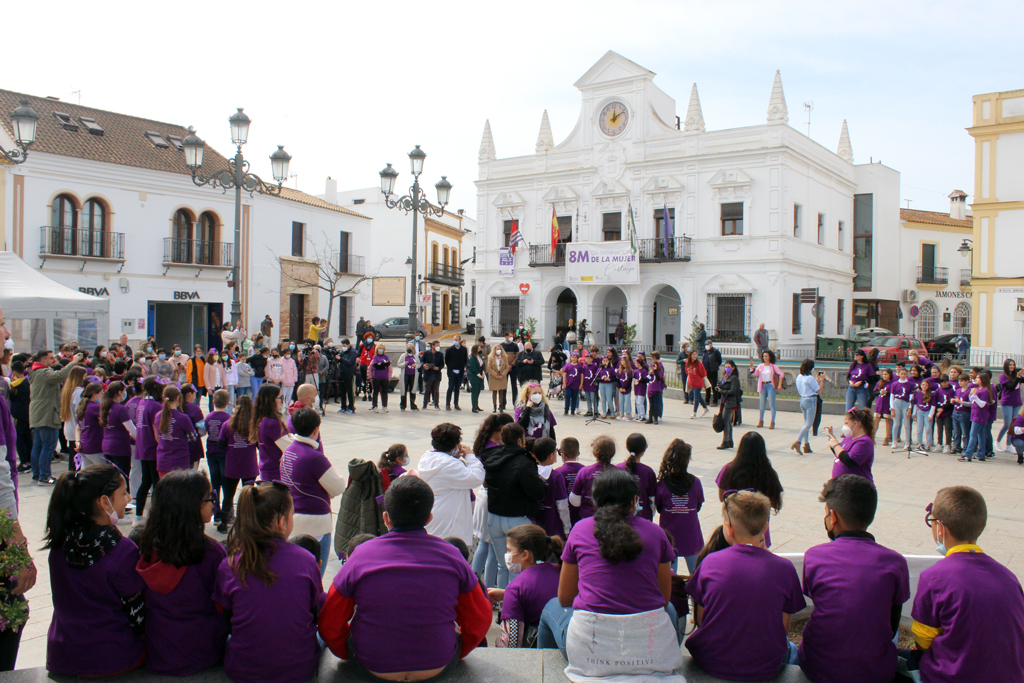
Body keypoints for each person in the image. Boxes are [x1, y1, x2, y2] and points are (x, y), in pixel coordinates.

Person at [320, 475, 491, 679]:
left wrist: (348, 651)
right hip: (438, 665)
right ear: (429, 518)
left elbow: (330, 621)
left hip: (371, 665)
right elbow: (480, 618)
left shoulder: (360, 555)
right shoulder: (452, 555)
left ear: (386, 518)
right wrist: (457, 650)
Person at [537, 469, 682, 680]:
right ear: (634, 500)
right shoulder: (656, 532)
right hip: (651, 652)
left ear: (596, 499)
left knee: (551, 606)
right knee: (668, 609)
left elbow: (565, 598)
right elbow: (663, 598)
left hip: (590, 652)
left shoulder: (580, 530)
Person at [904, 486, 1024, 682]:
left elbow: (923, 641)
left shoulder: (934, 577)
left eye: (931, 522)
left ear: (941, 528)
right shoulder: (1009, 577)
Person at [799, 475, 910, 683]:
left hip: (818, 667)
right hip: (877, 670)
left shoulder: (814, 556)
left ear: (832, 517)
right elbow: (893, 622)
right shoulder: (895, 562)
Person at [685, 490, 806, 680]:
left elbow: (701, 619)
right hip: (765, 666)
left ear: (729, 528)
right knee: (791, 649)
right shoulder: (784, 568)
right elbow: (783, 628)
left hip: (711, 660)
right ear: (765, 527)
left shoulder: (710, 562)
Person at [213, 482, 324, 683]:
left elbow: (228, 619)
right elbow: (314, 612)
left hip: (243, 670)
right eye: (292, 514)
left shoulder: (230, 564)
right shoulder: (306, 560)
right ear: (282, 522)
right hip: (299, 671)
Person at [44, 464, 144, 677]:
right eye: (123, 492)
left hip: (62, 654)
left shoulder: (60, 543)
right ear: (103, 501)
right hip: (111, 656)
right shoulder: (123, 550)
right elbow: (137, 614)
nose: (128, 498)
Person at [135, 470, 227, 675]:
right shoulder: (212, 554)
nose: (214, 503)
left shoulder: (147, 548)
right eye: (209, 498)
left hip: (160, 649)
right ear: (191, 506)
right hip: (203, 650)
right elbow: (223, 605)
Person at [480, 423, 547, 588]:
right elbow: (534, 490)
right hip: (516, 518)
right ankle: (514, 602)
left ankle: (501, 601)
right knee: (518, 567)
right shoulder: (524, 461)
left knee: (503, 565)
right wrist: (543, 485)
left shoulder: (490, 455)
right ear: (520, 440)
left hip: (494, 516)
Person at [280, 408, 346, 575]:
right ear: (316, 429)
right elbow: (338, 486)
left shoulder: (288, 450)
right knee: (315, 575)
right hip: (315, 522)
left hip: (291, 517)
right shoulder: (314, 457)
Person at [489, 524, 563, 648]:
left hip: (538, 654)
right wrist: (506, 594)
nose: (507, 555)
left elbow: (511, 643)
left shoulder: (516, 588)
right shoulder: (561, 571)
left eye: (509, 550)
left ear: (525, 555)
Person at [419, 423, 484, 543]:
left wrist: (453, 457)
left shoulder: (427, 458)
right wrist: (470, 456)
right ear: (455, 444)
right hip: (449, 525)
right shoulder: (450, 465)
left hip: (434, 516)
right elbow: (477, 477)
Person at [716, 432, 784, 547]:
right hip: (759, 532)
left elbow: (722, 497)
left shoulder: (728, 469)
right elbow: (776, 503)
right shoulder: (769, 473)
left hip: (734, 530)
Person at [30, 349, 85, 485]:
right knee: (48, 446)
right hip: (47, 414)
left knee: (38, 445)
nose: (54, 360)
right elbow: (60, 375)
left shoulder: (35, 373)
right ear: (43, 361)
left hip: (38, 414)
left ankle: (37, 474)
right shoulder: (44, 372)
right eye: (50, 358)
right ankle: (44, 476)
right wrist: (73, 362)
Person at [655, 439, 704, 574]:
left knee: (670, 576)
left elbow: (659, 508)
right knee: (697, 575)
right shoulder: (696, 483)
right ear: (688, 460)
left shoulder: (662, 484)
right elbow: (698, 506)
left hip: (669, 537)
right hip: (691, 535)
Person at [217, 396, 259, 534]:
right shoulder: (253, 425)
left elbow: (220, 444)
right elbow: (259, 445)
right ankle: (247, 524)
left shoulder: (227, 424)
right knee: (249, 496)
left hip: (233, 464)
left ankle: (224, 523)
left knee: (228, 495)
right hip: (249, 464)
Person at [132, 377, 165, 525]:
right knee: (156, 483)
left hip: (142, 447)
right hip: (152, 448)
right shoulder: (156, 406)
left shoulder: (142, 403)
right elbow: (156, 430)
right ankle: (154, 517)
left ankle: (138, 515)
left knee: (146, 481)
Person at [155, 385, 198, 477]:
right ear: (178, 398)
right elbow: (193, 437)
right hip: (180, 460)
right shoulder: (183, 418)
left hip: (163, 460)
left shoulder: (158, 416)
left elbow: (157, 437)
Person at [568, 435, 615, 519]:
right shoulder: (621, 473)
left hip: (589, 517)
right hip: (614, 519)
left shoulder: (585, 472)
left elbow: (575, 501)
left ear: (594, 453)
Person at [204, 390, 231, 524]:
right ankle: (227, 511)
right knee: (226, 482)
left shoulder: (209, 417)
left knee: (215, 483)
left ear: (213, 402)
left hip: (211, 452)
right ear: (227, 403)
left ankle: (217, 512)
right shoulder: (228, 418)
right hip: (224, 453)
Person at [254, 383, 290, 482]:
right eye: (280, 397)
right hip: (276, 473)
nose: (282, 400)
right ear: (271, 400)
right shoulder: (272, 423)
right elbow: (289, 447)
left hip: (267, 469)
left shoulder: (261, 419)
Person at [959, 369, 995, 462]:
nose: (976, 379)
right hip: (975, 413)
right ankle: (981, 453)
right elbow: (973, 401)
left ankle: (968, 453)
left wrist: (974, 396)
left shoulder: (986, 391)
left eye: (978, 378)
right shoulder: (978, 389)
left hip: (980, 415)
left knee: (973, 434)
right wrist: (972, 395)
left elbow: (983, 404)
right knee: (981, 434)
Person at [792, 359, 822, 454]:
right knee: (808, 424)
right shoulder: (810, 378)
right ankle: (798, 442)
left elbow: (810, 387)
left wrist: (817, 380)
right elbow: (818, 390)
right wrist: (823, 381)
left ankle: (806, 445)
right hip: (811, 400)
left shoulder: (799, 377)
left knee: (806, 423)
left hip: (803, 399)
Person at [749, 350, 784, 429]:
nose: (765, 358)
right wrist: (751, 367)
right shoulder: (761, 366)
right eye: (764, 356)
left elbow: (781, 374)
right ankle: (761, 421)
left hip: (770, 386)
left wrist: (779, 384)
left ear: (770, 357)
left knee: (771, 404)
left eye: (766, 356)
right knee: (762, 404)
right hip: (762, 386)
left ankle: (772, 422)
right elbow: (755, 373)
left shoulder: (773, 366)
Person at [74, 382, 105, 468]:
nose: (102, 396)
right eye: (101, 393)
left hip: (84, 445)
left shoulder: (82, 407)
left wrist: (78, 441)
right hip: (95, 445)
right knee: (101, 471)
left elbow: (78, 427)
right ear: (95, 394)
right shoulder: (95, 407)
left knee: (87, 473)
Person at [995, 359, 1023, 453]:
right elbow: (1011, 387)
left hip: (1017, 402)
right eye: (1010, 365)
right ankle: (998, 441)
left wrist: (1019, 375)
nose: (1012, 367)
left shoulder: (1016, 375)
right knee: (1007, 424)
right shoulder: (1003, 376)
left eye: (1013, 365)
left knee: (1013, 424)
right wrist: (1018, 378)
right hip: (1007, 402)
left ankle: (1008, 445)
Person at [889, 365, 917, 449]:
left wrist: (909, 408)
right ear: (899, 374)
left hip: (906, 403)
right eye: (902, 374)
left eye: (905, 374)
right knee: (896, 423)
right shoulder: (894, 384)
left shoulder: (910, 384)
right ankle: (894, 441)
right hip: (897, 403)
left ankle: (907, 442)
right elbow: (892, 396)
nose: (903, 375)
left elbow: (911, 397)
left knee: (907, 424)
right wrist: (892, 408)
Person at [717, 360, 742, 450]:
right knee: (727, 421)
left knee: (725, 421)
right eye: (726, 366)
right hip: (725, 401)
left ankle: (725, 441)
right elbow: (722, 385)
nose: (727, 368)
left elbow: (733, 390)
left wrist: (722, 391)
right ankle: (730, 441)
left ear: (733, 368)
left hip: (730, 402)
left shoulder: (734, 378)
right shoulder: (726, 377)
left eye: (729, 367)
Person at [909, 378, 936, 454]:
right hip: (920, 412)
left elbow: (933, 405)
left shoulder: (931, 394)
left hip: (927, 411)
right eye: (923, 385)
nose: (924, 386)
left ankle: (928, 443)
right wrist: (914, 414)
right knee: (919, 428)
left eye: (926, 385)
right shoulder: (917, 394)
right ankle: (919, 443)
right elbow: (915, 404)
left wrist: (931, 415)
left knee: (928, 428)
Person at [871, 368, 894, 448]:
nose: (884, 376)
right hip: (879, 404)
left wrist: (887, 392)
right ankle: (872, 436)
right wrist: (879, 392)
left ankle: (887, 437)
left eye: (886, 374)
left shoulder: (892, 384)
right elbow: (874, 393)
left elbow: (893, 394)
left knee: (888, 420)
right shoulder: (879, 383)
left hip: (887, 404)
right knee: (876, 420)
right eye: (883, 374)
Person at [684, 349, 709, 419]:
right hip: (691, 383)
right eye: (693, 354)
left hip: (698, 383)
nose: (695, 356)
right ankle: (705, 408)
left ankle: (694, 412)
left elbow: (703, 373)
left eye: (696, 354)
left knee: (696, 398)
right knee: (698, 397)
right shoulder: (688, 362)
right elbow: (687, 371)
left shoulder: (699, 363)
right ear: (690, 356)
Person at [335, 338, 358, 415]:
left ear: (348, 345)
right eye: (342, 346)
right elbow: (339, 359)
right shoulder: (343, 351)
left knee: (349, 391)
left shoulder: (353, 352)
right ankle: (343, 407)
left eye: (344, 345)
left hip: (348, 374)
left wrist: (341, 359)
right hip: (341, 373)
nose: (343, 347)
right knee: (342, 391)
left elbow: (350, 362)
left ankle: (351, 407)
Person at [485, 344, 510, 413]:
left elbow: (507, 367)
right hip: (494, 377)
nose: (498, 351)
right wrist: (495, 375)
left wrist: (502, 374)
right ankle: (494, 406)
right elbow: (489, 368)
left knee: (501, 391)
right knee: (494, 392)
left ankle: (501, 406)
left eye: (499, 349)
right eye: (497, 349)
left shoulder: (504, 357)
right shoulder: (491, 358)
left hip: (502, 376)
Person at [421, 340, 444, 410]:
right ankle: (424, 404)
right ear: (432, 346)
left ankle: (436, 404)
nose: (438, 347)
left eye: (438, 346)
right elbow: (421, 361)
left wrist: (438, 368)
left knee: (436, 390)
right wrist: (424, 365)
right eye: (437, 345)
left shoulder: (440, 354)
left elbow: (442, 364)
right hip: (428, 374)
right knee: (427, 390)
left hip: (436, 374)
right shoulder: (426, 353)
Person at [368, 343, 391, 413]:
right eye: (379, 348)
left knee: (384, 392)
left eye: (382, 349)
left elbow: (388, 364)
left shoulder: (386, 356)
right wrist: (383, 365)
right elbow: (375, 365)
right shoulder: (375, 357)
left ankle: (384, 406)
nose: (381, 350)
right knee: (375, 392)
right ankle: (375, 406)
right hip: (377, 377)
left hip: (385, 377)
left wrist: (381, 364)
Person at [397, 343, 419, 411]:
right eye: (408, 348)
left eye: (410, 348)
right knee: (404, 390)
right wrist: (404, 364)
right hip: (405, 375)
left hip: (413, 375)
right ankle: (403, 405)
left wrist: (416, 366)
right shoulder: (403, 356)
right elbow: (398, 364)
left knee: (412, 389)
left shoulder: (415, 356)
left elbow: (419, 364)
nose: (409, 349)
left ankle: (413, 405)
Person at [646, 350, 666, 425]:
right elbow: (647, 379)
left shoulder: (659, 370)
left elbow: (658, 378)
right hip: (650, 389)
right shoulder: (652, 372)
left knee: (656, 404)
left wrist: (656, 371)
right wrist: (650, 373)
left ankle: (656, 418)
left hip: (657, 389)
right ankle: (650, 417)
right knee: (651, 404)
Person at [560, 351, 583, 417]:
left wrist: (581, 384)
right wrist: (564, 383)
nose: (574, 359)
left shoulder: (579, 366)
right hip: (568, 384)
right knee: (567, 397)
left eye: (575, 357)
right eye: (572, 357)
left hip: (576, 385)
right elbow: (564, 374)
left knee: (574, 397)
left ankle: (573, 410)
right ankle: (566, 410)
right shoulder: (568, 365)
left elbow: (581, 375)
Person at [468, 343, 485, 414]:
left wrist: (482, 374)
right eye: (479, 349)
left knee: (478, 391)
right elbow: (473, 368)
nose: (480, 350)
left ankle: (477, 405)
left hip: (480, 375)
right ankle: (474, 406)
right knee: (474, 392)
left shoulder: (479, 357)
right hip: (474, 376)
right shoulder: (472, 358)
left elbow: (481, 366)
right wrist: (479, 375)